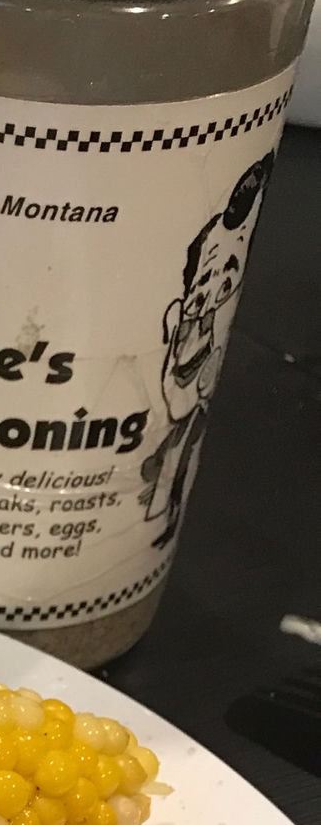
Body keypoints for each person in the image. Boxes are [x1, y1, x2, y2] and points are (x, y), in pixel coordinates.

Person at [140, 153, 273, 548]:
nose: (214, 289)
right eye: (205, 279)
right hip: (178, 412)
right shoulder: (182, 322)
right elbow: (175, 381)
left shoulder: (204, 324)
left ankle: (159, 523)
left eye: (226, 274)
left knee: (173, 470)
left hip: (185, 418)